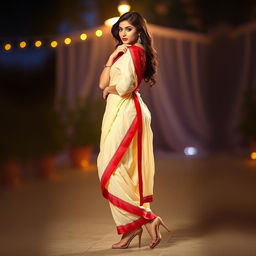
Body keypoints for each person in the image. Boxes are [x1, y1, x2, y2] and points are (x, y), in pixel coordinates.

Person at [97, 11, 170, 249]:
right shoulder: (124, 52)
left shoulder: (132, 52)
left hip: (127, 110)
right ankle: (132, 228)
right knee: (123, 169)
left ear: (139, 31)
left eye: (129, 29)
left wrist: (111, 89)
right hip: (122, 110)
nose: (123, 33)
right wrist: (111, 57)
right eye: (121, 29)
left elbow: (126, 86)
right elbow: (101, 83)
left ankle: (146, 220)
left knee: (109, 165)